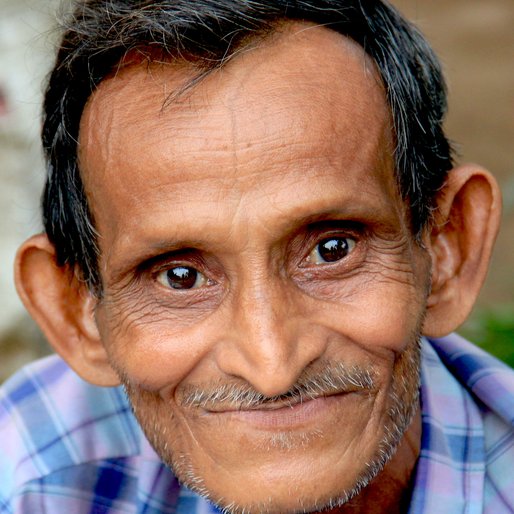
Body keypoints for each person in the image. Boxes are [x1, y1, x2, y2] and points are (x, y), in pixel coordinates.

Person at [1, 0, 513, 512]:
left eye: (332, 250)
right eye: (179, 277)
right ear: (78, 313)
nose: (272, 368)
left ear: (449, 247)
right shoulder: (31, 477)